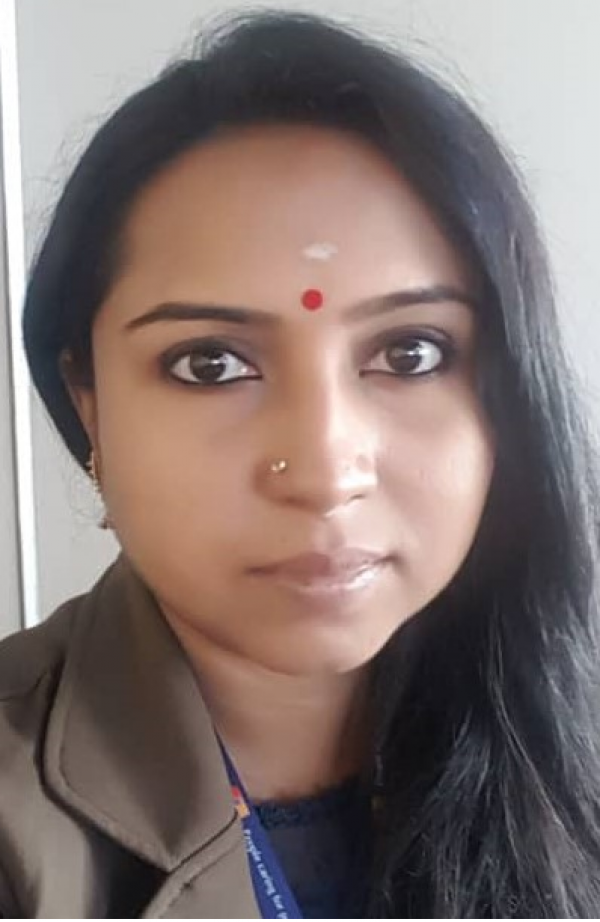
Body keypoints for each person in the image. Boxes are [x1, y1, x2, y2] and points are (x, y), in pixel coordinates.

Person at [1, 8, 599, 918]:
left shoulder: (572, 740)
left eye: (410, 353)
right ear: (88, 403)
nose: (324, 473)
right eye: (210, 364)